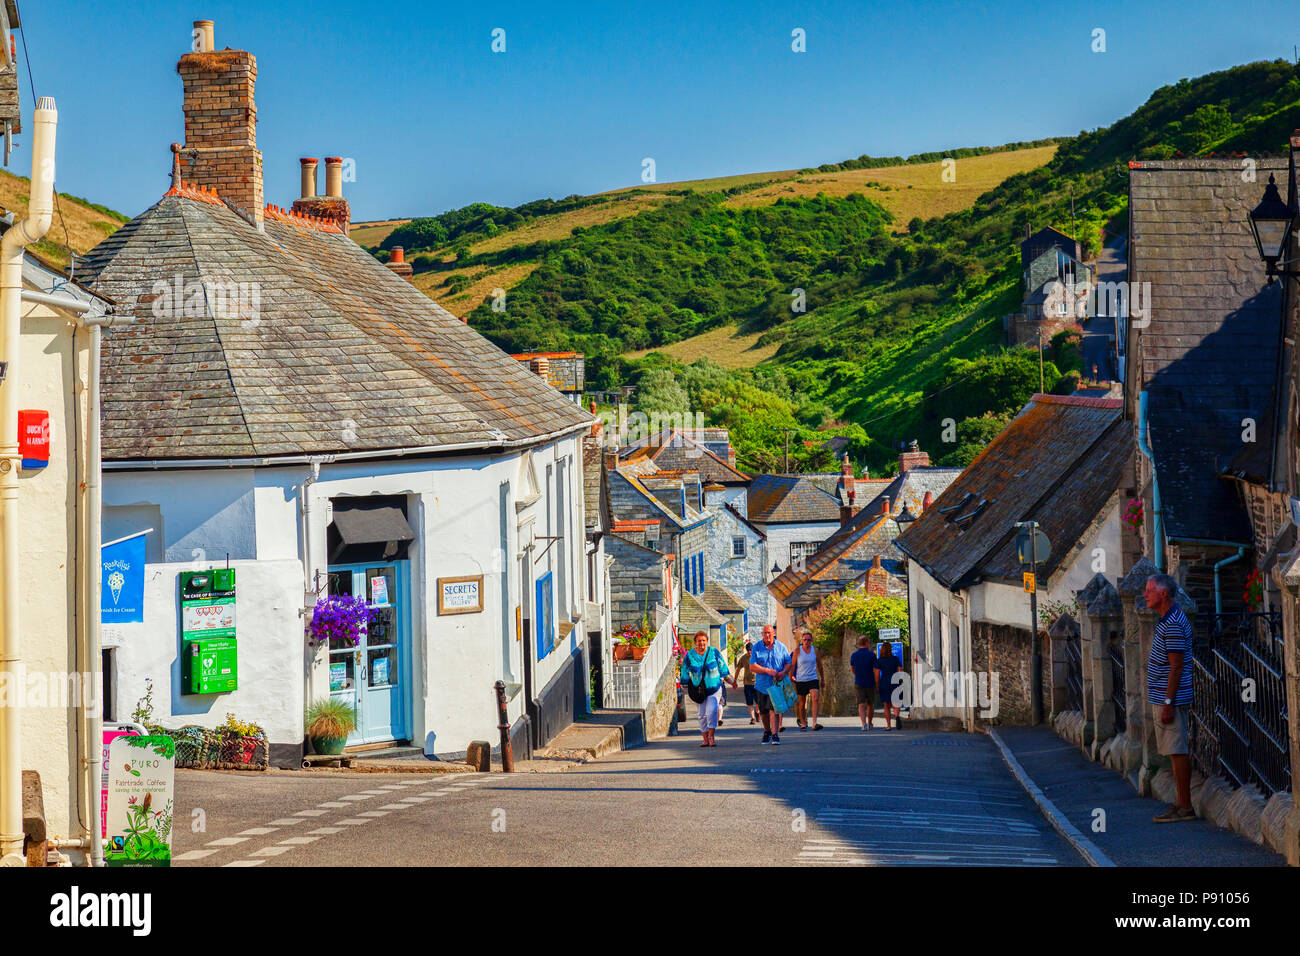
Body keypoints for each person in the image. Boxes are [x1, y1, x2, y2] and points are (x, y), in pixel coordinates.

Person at [1144, 573, 1195, 823]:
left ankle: (1185, 806)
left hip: (1170, 698)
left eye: (1149, 591)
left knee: (1177, 750)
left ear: (1163, 594)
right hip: (1166, 696)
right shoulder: (1167, 620)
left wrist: (1167, 702)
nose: (1145, 595)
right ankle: (1180, 803)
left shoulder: (1172, 623)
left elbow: (1176, 666)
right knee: (1174, 751)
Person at [680, 630, 729, 747]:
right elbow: (685, 669)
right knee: (701, 715)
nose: (701, 643)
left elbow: (722, 666)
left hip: (714, 688)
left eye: (703, 641)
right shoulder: (690, 655)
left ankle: (712, 738)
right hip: (698, 690)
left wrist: (728, 679)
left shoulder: (714, 652)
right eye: (699, 641)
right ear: (695, 642)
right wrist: (684, 682)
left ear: (707, 641)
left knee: (711, 711)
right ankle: (705, 739)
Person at [749, 624, 792, 745]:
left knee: (774, 709)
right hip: (762, 685)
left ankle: (775, 734)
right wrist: (767, 670)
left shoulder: (781, 647)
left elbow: (788, 662)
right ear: (762, 634)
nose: (767, 635)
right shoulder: (757, 647)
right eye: (765, 633)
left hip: (776, 684)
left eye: (769, 633)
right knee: (763, 712)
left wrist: (783, 672)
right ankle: (767, 731)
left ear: (773, 633)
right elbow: (752, 666)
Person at [791, 632, 825, 730]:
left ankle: (814, 723)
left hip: (812, 678)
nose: (806, 642)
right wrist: (791, 677)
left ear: (811, 641)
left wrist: (822, 679)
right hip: (801, 679)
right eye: (804, 640)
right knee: (802, 703)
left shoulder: (815, 650)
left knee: (815, 698)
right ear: (802, 641)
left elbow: (819, 665)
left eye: (808, 640)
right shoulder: (798, 651)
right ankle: (803, 723)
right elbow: (793, 665)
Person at [849, 634, 878, 731]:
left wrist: (857, 674)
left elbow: (852, 668)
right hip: (870, 681)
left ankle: (863, 724)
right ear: (867, 643)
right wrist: (877, 682)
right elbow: (875, 670)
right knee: (870, 704)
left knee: (861, 704)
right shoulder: (872, 655)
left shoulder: (854, 655)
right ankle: (870, 723)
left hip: (859, 681)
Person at [875, 641, 901, 730]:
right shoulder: (895, 659)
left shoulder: (879, 661)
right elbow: (900, 671)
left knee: (886, 704)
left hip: (884, 682)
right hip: (895, 682)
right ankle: (897, 716)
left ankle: (888, 725)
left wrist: (877, 685)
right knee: (895, 702)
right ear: (890, 649)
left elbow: (877, 675)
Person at [735, 640, 759, 724]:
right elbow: (738, 669)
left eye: (751, 650)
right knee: (749, 702)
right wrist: (735, 680)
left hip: (757, 683)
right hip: (747, 683)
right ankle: (753, 718)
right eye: (748, 650)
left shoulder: (757, 657)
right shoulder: (743, 658)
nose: (749, 652)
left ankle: (757, 712)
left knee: (759, 701)